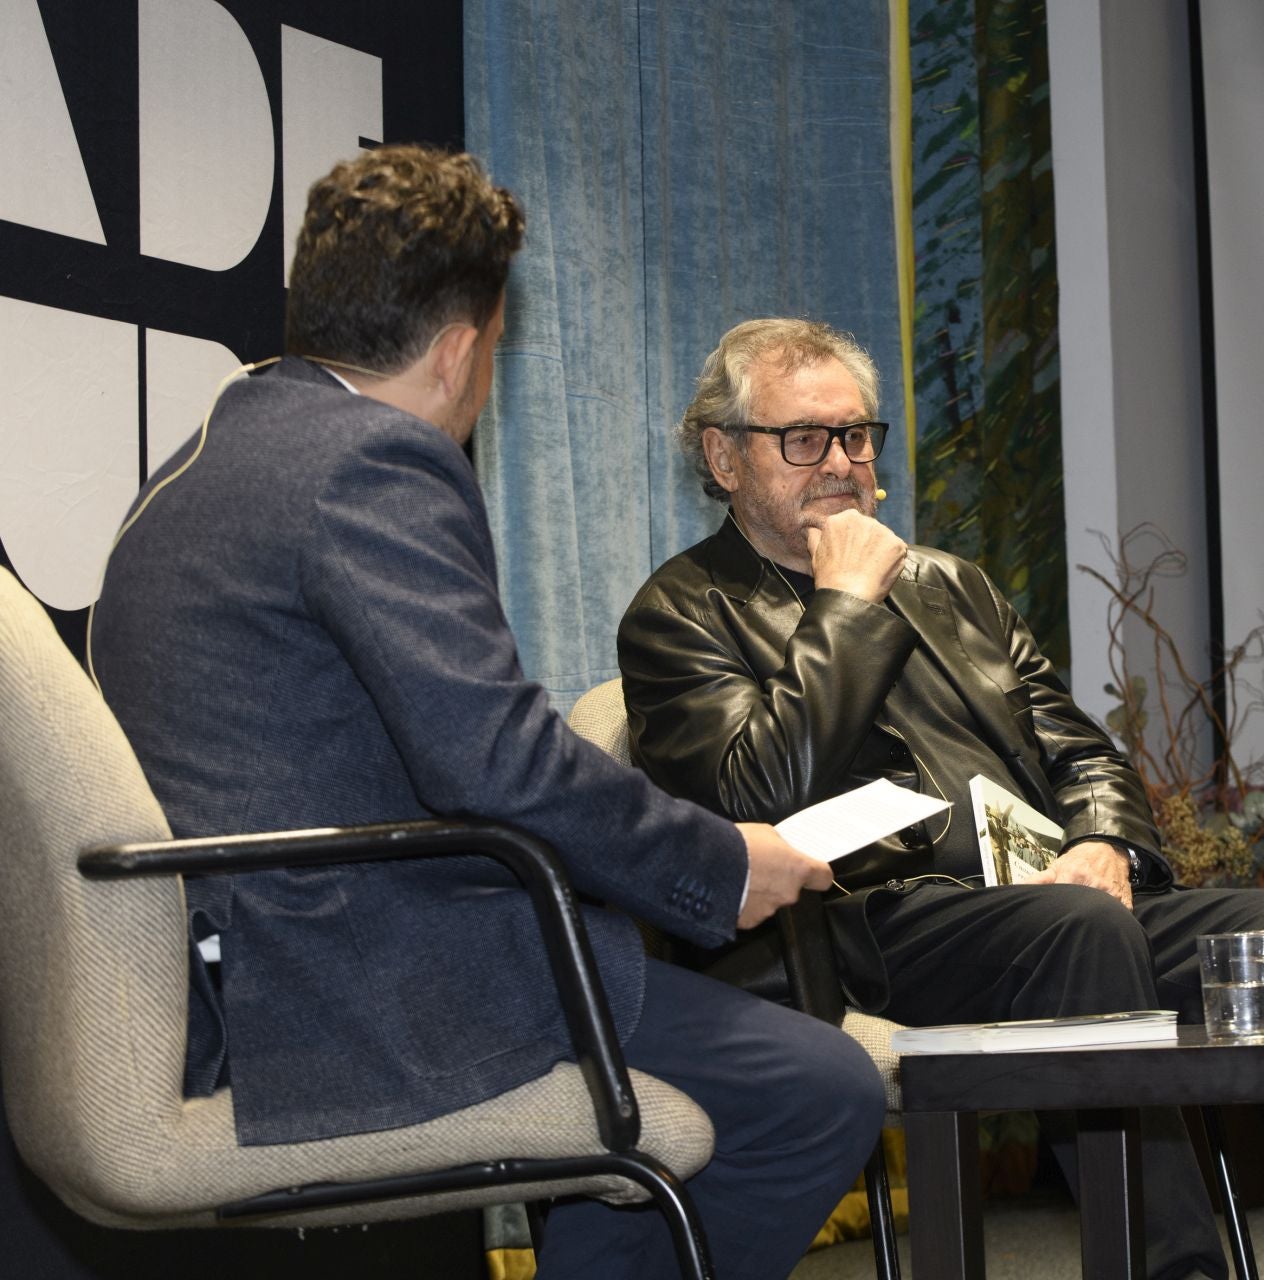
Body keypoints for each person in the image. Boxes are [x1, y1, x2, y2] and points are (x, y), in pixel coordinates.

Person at [89, 148, 883, 1280]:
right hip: (347, 980)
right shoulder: (372, 461)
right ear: (462, 347)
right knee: (816, 1087)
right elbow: (497, 760)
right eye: (499, 349)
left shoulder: (199, 463)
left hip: (233, 968)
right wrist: (721, 859)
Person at [618, 317, 1264, 1280]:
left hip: (1044, 902)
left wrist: (1107, 845)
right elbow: (755, 794)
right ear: (723, 456)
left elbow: (1081, 753)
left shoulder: (950, 586)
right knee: (1077, 934)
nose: (840, 463)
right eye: (803, 439)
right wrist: (843, 607)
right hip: (860, 932)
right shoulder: (678, 615)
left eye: (857, 435)